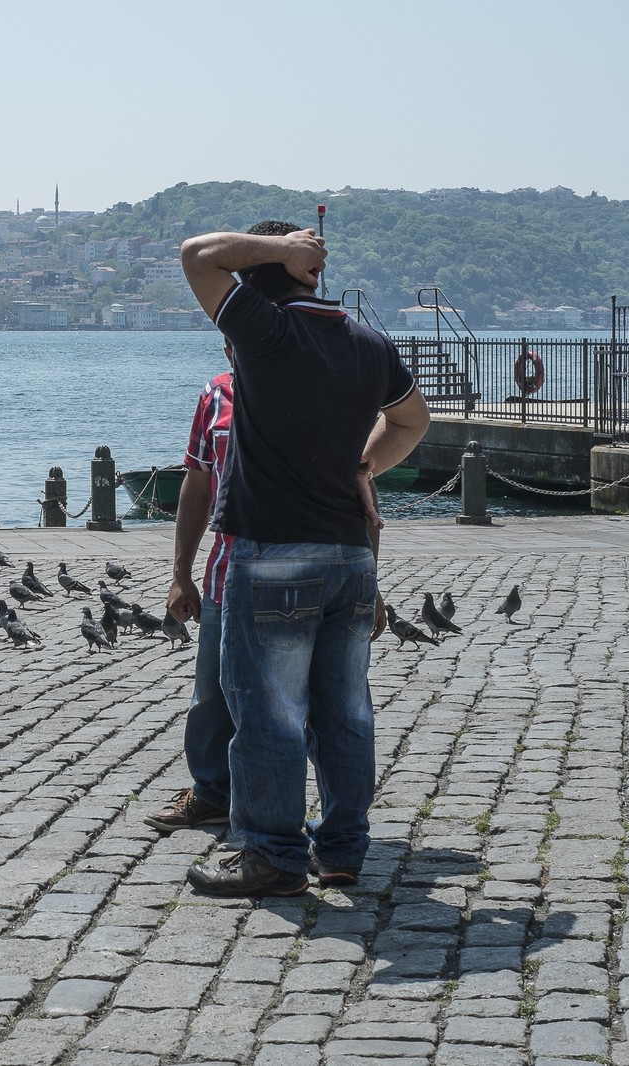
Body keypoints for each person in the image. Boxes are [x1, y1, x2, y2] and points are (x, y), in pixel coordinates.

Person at [178, 220, 430, 897]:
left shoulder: (265, 333)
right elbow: (413, 420)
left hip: (272, 552)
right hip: (349, 555)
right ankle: (342, 849)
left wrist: (281, 251)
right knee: (346, 710)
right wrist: (360, 466)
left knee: (268, 714)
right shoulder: (367, 343)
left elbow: (196, 255)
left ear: (257, 279)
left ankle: (273, 856)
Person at [144, 340, 236, 833]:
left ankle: (315, 816)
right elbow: (197, 482)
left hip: (297, 566)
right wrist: (181, 573)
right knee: (210, 692)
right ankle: (210, 792)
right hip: (225, 570)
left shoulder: (311, 386)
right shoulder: (215, 395)